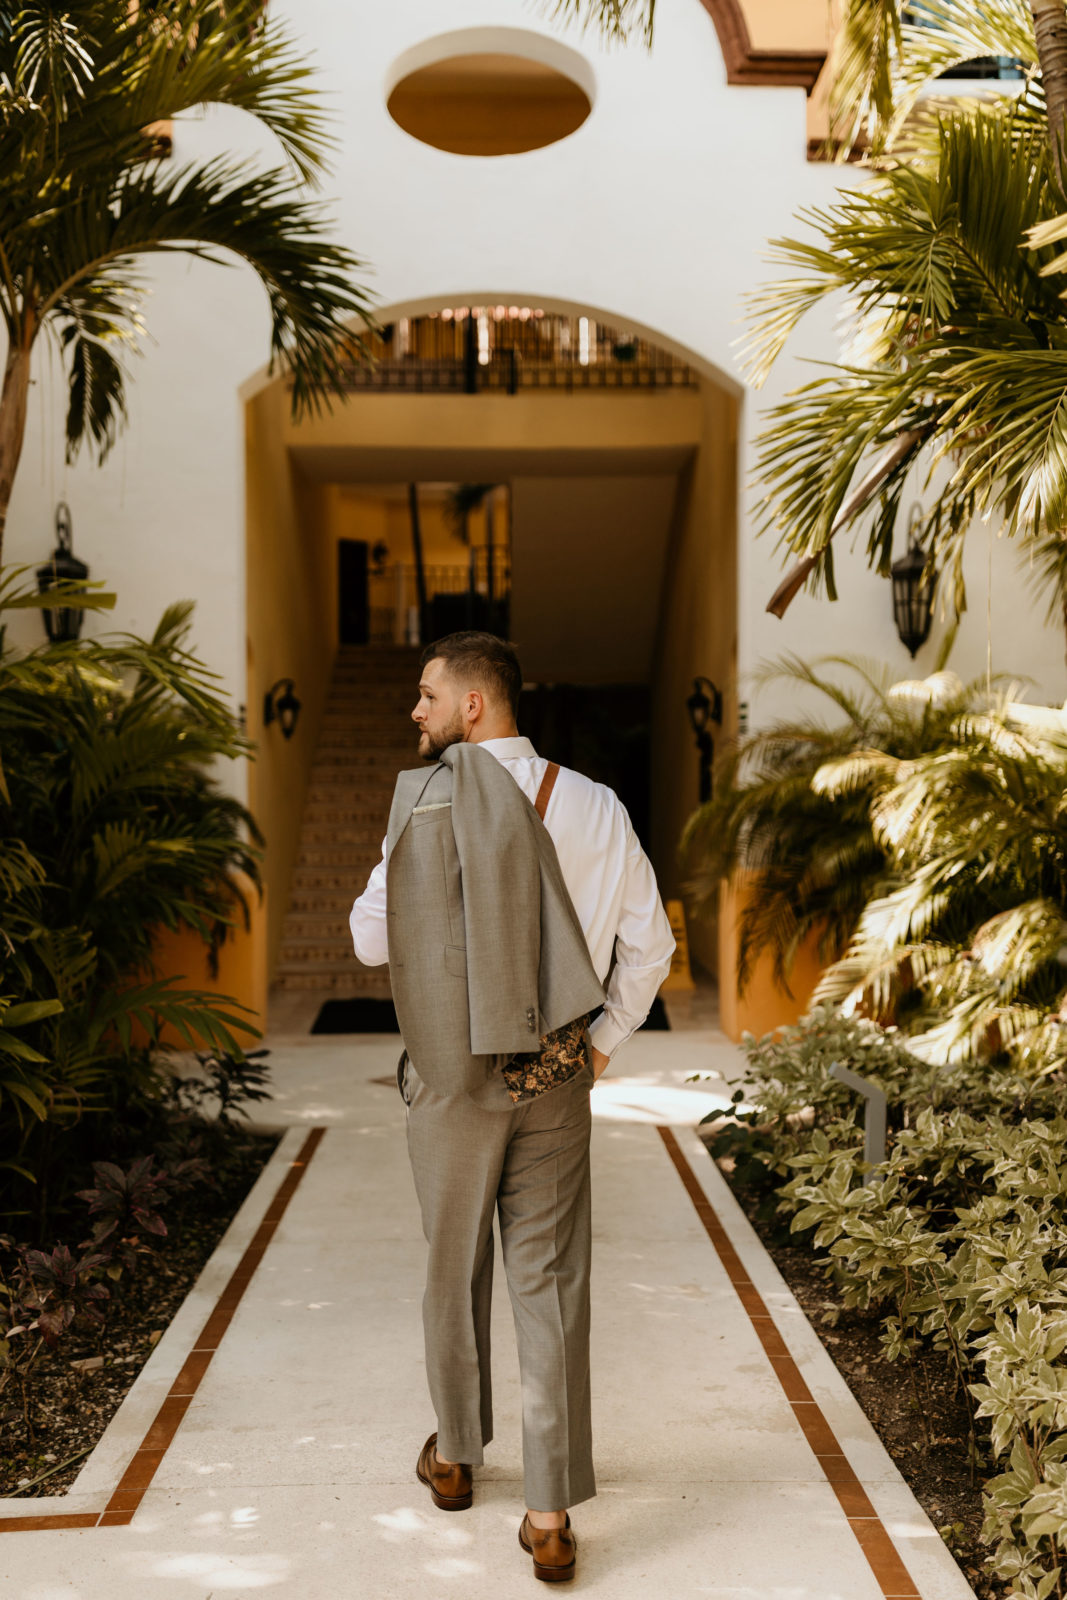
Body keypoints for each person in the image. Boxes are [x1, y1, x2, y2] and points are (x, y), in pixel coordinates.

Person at [349, 631, 674, 1583]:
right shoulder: (596, 806)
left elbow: (371, 944)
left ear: (474, 706)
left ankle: (454, 1457)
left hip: (452, 1078)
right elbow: (646, 947)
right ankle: (547, 1516)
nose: (415, 712)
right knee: (549, 1280)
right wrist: (602, 1044)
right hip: (556, 1078)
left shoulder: (423, 803)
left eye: (426, 695)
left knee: (452, 1269)